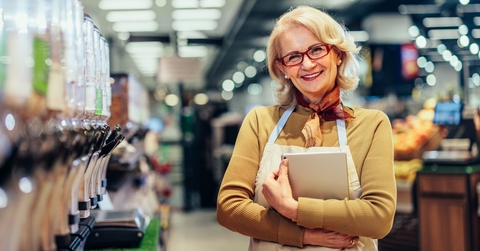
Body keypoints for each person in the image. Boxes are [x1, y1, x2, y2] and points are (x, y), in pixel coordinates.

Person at [216, 5, 396, 251]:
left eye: (317, 50)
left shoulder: (372, 124)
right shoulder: (259, 122)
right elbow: (229, 207)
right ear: (282, 69)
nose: (308, 65)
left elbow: (379, 217)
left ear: (338, 54)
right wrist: (304, 235)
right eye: (293, 57)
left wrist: (293, 209)